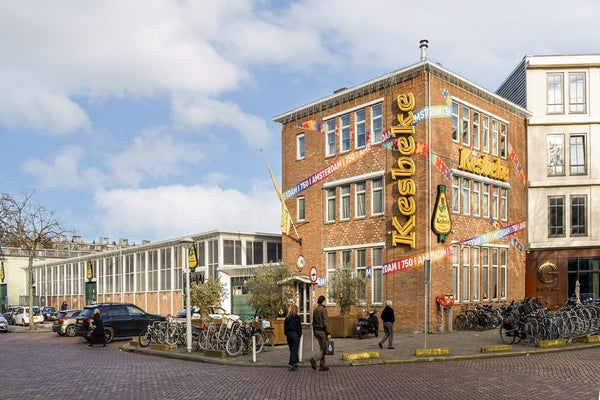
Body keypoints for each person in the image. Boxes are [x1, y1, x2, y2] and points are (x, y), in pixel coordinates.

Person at [310, 295, 331, 371]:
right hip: (322, 332)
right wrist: (328, 333)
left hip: (317, 331)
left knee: (322, 348)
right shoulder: (323, 310)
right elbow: (325, 322)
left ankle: (323, 365)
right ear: (323, 301)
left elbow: (313, 322)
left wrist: (314, 332)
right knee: (325, 349)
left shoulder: (315, 310)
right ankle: (314, 359)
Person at [283, 304, 303, 371]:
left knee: (292, 349)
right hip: (295, 334)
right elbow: (299, 328)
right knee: (294, 350)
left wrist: (286, 333)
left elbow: (285, 327)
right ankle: (291, 364)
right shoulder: (297, 318)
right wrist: (300, 334)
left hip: (288, 334)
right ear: (296, 310)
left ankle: (295, 362)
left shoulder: (287, 317)